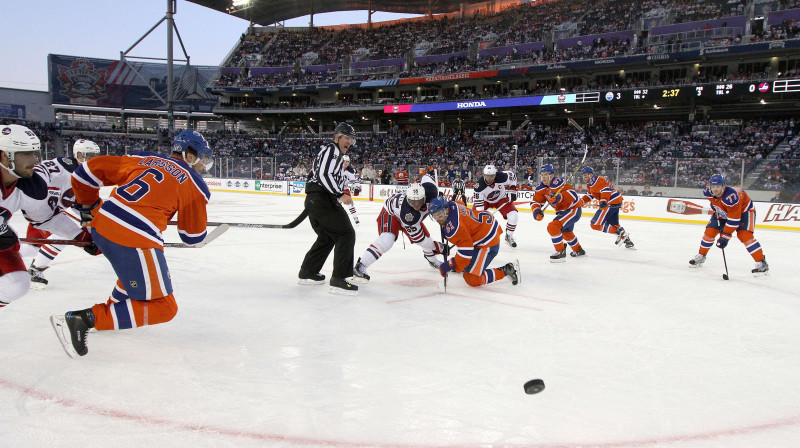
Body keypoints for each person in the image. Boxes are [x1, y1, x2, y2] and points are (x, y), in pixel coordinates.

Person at [49, 130, 214, 357]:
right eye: (203, 160)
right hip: (134, 237)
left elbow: (83, 174)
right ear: (190, 155)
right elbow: (191, 236)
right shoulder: (195, 184)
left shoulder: (142, 158)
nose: (204, 168)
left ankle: (112, 314)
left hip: (101, 224)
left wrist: (89, 209)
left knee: (133, 276)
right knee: (165, 308)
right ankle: (83, 319)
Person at [1, 125, 91, 308]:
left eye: (34, 153)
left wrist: (83, 238)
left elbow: (47, 218)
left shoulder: (29, 186)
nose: (34, 160)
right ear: (5, 155)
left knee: (17, 282)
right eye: (26, 154)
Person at [26, 139, 102, 288]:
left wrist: (89, 220)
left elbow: (75, 202)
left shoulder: (80, 174)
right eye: (90, 156)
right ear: (79, 155)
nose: (94, 161)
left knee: (36, 246)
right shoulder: (63, 172)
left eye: (96, 156)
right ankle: (35, 269)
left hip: (48, 213)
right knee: (57, 237)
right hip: (39, 213)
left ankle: (33, 268)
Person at [298, 122, 358, 295]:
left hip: (316, 201)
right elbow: (324, 175)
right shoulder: (332, 150)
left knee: (327, 237)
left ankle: (308, 271)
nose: (349, 142)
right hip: (322, 200)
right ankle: (339, 279)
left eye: (351, 139)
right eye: (346, 137)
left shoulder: (334, 155)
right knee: (346, 234)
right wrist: (340, 194)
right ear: (336, 137)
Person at [352, 179, 444, 281]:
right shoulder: (409, 215)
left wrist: (438, 198)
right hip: (391, 213)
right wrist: (438, 247)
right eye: (412, 202)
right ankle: (361, 265)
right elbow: (419, 239)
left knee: (427, 238)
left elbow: (426, 177)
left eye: (418, 202)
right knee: (387, 239)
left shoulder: (430, 191)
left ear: (424, 197)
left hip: (408, 214)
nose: (415, 205)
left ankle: (432, 260)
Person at [428, 196, 520, 288]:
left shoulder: (454, 228)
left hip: (488, 240)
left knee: (472, 279)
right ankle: (469, 266)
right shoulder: (453, 204)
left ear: (446, 210)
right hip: (484, 225)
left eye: (439, 215)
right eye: (434, 216)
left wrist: (449, 264)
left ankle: (507, 269)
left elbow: (466, 252)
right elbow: (461, 203)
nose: (438, 219)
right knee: (464, 265)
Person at [688, 174, 768, 275]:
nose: (715, 189)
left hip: (744, 211)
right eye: (713, 186)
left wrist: (725, 237)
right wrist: (715, 207)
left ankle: (761, 263)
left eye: (718, 186)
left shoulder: (731, 198)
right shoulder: (707, 191)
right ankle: (701, 256)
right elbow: (713, 201)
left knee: (744, 235)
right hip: (723, 210)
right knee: (710, 232)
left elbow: (734, 221)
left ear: (723, 186)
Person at [530, 163, 585, 262]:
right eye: (542, 175)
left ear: (551, 175)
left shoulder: (558, 182)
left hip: (572, 209)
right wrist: (536, 211)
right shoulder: (541, 187)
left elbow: (573, 195)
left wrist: (559, 197)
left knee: (553, 227)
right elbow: (535, 202)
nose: (543, 177)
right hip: (562, 211)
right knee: (566, 232)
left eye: (546, 174)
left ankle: (560, 251)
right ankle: (578, 250)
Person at [579, 166, 634, 249]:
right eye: (583, 176)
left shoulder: (599, 180)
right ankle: (627, 241)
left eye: (585, 176)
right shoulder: (590, 184)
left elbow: (606, 190)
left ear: (591, 175)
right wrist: (581, 201)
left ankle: (619, 232)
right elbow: (590, 195)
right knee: (613, 224)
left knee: (595, 224)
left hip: (610, 202)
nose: (584, 178)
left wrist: (603, 200)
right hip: (615, 201)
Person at [473, 164, 520, 248]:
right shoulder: (478, 187)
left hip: (501, 199)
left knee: (514, 216)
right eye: (487, 176)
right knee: (475, 218)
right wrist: (483, 217)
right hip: (485, 201)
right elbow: (479, 209)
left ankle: (509, 236)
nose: (489, 178)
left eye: (491, 176)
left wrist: (513, 190)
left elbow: (513, 177)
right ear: (484, 175)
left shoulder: (502, 177)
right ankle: (474, 237)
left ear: (495, 174)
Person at [341, 155, 361, 224]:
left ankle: (355, 217)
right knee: (335, 205)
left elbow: (354, 181)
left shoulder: (350, 171)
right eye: (344, 161)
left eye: (347, 161)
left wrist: (357, 187)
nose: (345, 163)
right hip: (337, 189)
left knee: (349, 204)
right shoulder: (336, 168)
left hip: (345, 189)